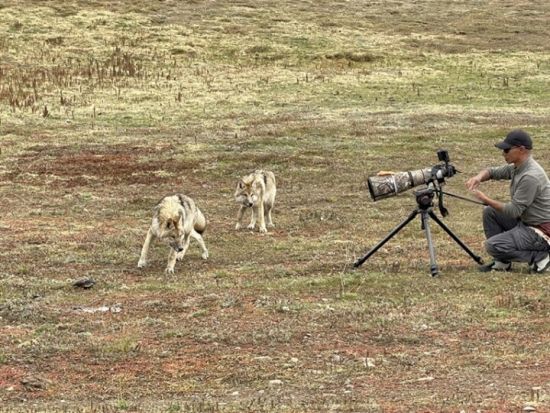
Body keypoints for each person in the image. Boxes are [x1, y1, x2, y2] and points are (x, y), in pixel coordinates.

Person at [466, 129, 550, 274]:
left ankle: (540, 256)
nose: (503, 153)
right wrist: (478, 177)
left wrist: (485, 199)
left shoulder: (530, 176)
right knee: (490, 212)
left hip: (541, 231)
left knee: (492, 246)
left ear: (521, 149)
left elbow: (514, 211)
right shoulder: (518, 167)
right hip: (527, 222)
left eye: (506, 150)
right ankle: (502, 262)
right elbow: (492, 172)